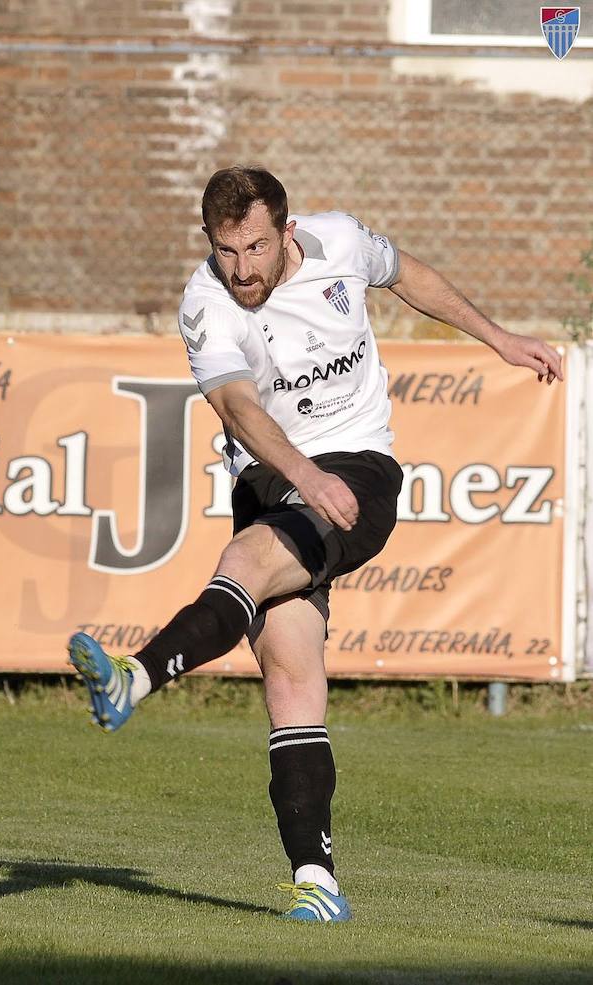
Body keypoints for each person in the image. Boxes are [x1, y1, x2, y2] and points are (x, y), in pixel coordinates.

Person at [68, 166, 561, 922]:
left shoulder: (340, 241)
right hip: (273, 480)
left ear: (287, 231)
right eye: (227, 249)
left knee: (241, 564)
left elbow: (409, 275)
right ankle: (317, 882)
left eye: (257, 247)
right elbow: (236, 407)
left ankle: (135, 677)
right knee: (291, 680)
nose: (243, 269)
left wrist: (498, 337)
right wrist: (299, 474)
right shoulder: (205, 302)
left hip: (357, 468)